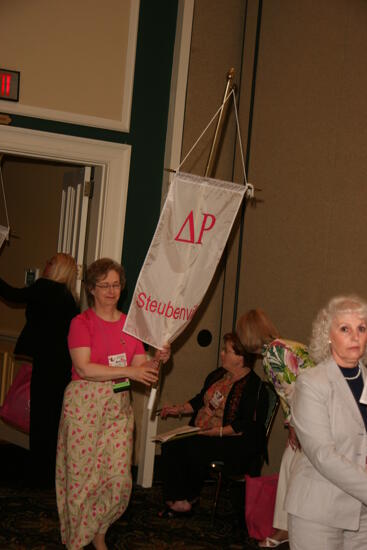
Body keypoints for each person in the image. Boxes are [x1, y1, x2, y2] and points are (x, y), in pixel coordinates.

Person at [55, 257, 170, 550]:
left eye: (116, 284)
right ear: (91, 289)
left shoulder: (131, 327)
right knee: (81, 479)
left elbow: (146, 372)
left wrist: (158, 359)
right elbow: (84, 368)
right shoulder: (80, 323)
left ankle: (97, 529)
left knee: (119, 480)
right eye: (104, 285)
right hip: (83, 404)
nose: (111, 290)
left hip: (117, 408)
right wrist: (130, 371)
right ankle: (81, 541)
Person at [285, 295, 367, 549]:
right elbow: (323, 455)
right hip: (318, 511)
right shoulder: (312, 382)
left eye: (361, 328)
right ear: (328, 335)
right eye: (345, 328)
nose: (355, 336)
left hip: (362, 516)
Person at [158, 331, 268, 517]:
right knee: (169, 443)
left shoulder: (254, 387)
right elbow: (200, 399)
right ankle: (183, 498)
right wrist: (178, 409)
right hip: (203, 431)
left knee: (189, 446)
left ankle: (183, 499)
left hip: (231, 440)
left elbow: (246, 426)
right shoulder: (219, 375)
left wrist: (214, 432)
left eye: (227, 351)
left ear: (241, 358)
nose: (222, 353)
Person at [0, 253, 79, 487]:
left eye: (50, 262)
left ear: (56, 268)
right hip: (65, 365)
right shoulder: (70, 297)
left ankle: (39, 470)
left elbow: (13, 295)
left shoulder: (43, 287)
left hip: (46, 363)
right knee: (55, 417)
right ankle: (52, 472)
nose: (45, 264)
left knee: (41, 418)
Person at [237, 309, 314, 548]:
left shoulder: (273, 354)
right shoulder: (284, 345)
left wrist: (294, 426)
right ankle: (286, 528)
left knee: (295, 467)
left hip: (313, 416)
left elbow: (294, 393)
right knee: (290, 465)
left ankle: (289, 529)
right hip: (317, 412)